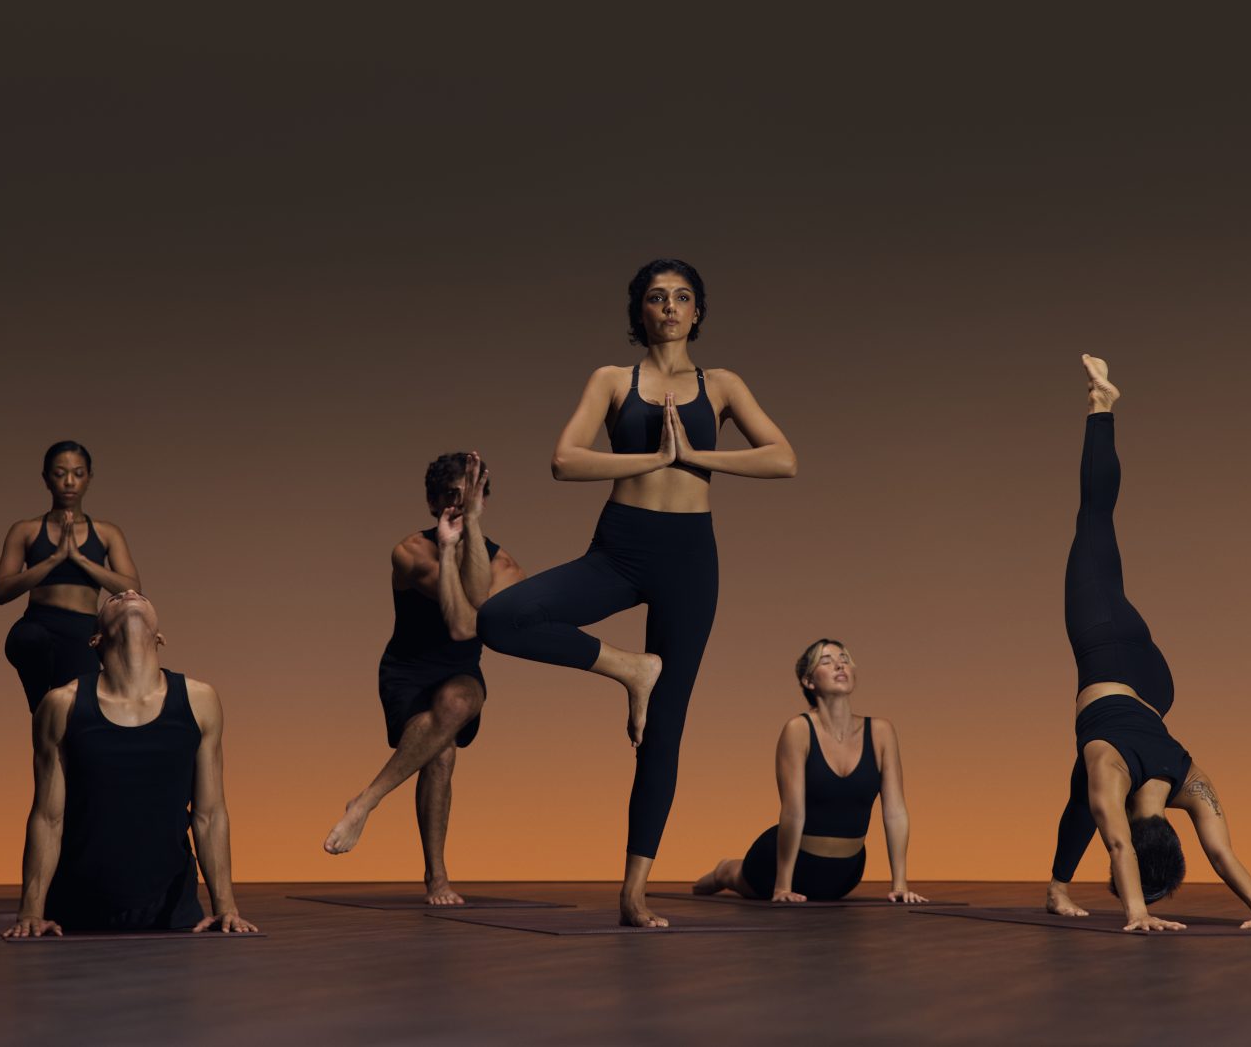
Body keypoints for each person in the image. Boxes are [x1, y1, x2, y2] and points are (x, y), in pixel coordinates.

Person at [477, 259, 797, 927]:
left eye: (683, 297)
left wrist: (693, 459)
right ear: (640, 313)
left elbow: (781, 458)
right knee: (502, 619)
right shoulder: (611, 380)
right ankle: (628, 668)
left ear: (698, 312)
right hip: (619, 548)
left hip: (690, 559)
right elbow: (566, 460)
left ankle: (633, 892)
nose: (671, 307)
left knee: (664, 732)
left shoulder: (723, 385)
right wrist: (652, 459)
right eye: (657, 298)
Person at [1044, 355, 1251, 932]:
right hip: (1108, 652)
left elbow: (1221, 855)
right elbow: (1116, 845)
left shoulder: (1191, 782)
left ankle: (1056, 888)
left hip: (1156, 684)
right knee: (1094, 518)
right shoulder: (1108, 770)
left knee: (1076, 797)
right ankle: (1102, 407)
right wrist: (1137, 915)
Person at [323, 452, 524, 904]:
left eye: (470, 495)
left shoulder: (507, 567)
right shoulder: (410, 551)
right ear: (433, 502)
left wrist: (465, 534)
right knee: (441, 753)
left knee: (456, 708)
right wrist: (451, 547)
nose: (460, 503)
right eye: (451, 495)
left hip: (460, 673)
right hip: (407, 672)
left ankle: (366, 802)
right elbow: (458, 616)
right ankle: (436, 878)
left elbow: (468, 628)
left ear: (483, 502)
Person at [5, 591, 255, 936]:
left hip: (175, 916)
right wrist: (30, 912)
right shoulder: (61, 705)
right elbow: (48, 817)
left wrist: (226, 908)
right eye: (113, 600)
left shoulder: (200, 700)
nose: (128, 593)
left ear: (160, 637)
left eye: (141, 596)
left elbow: (209, 814)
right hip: (77, 916)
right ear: (95, 638)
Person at [693, 639, 928, 904]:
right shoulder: (799, 730)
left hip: (844, 873)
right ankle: (723, 870)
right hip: (784, 862)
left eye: (845, 659)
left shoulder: (881, 732)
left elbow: (895, 812)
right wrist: (782, 886)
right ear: (808, 681)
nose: (840, 664)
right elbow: (793, 811)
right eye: (826, 661)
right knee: (734, 876)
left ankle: (729, 869)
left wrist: (900, 884)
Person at [0, 442, 141, 712]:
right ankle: (40, 710)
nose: (69, 482)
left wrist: (80, 559)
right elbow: (1, 591)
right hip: (38, 625)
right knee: (30, 644)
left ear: (89, 478)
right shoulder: (25, 530)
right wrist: (54, 558)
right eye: (60, 474)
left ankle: (51, 721)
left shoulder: (107, 533)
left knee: (75, 715)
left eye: (78, 473)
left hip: (83, 631)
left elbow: (132, 588)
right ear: (46, 479)